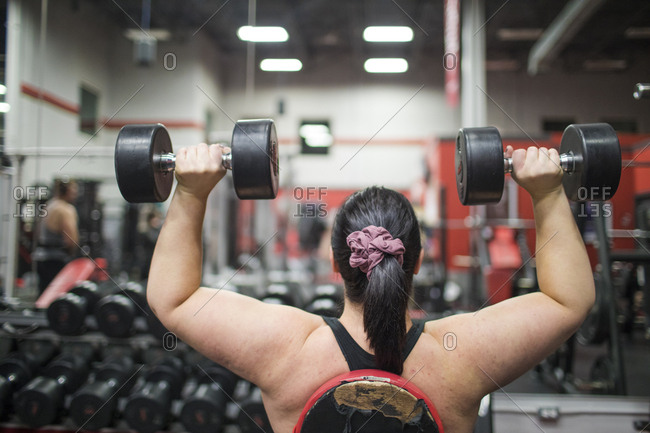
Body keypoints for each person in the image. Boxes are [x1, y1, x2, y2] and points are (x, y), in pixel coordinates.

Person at [147, 143, 595, 433]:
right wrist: (548, 192)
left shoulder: (286, 350)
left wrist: (190, 191)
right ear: (416, 261)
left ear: (335, 262)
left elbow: (174, 298)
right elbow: (568, 300)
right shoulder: (460, 356)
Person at [34, 178, 79, 293]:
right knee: (57, 298)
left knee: (44, 295)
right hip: (56, 260)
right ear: (66, 191)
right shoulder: (65, 209)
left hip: (41, 257)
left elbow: (38, 233)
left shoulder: (48, 206)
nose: (75, 194)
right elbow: (70, 240)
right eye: (73, 191)